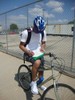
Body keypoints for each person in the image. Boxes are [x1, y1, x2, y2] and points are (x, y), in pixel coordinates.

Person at [19, 16, 47, 94]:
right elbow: (21, 46)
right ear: (34, 25)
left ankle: (40, 83)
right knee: (37, 62)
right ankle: (33, 83)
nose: (38, 32)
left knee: (42, 65)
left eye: (40, 30)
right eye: (37, 30)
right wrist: (28, 52)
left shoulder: (43, 31)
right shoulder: (26, 32)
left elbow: (44, 42)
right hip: (28, 52)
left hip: (38, 52)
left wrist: (42, 47)